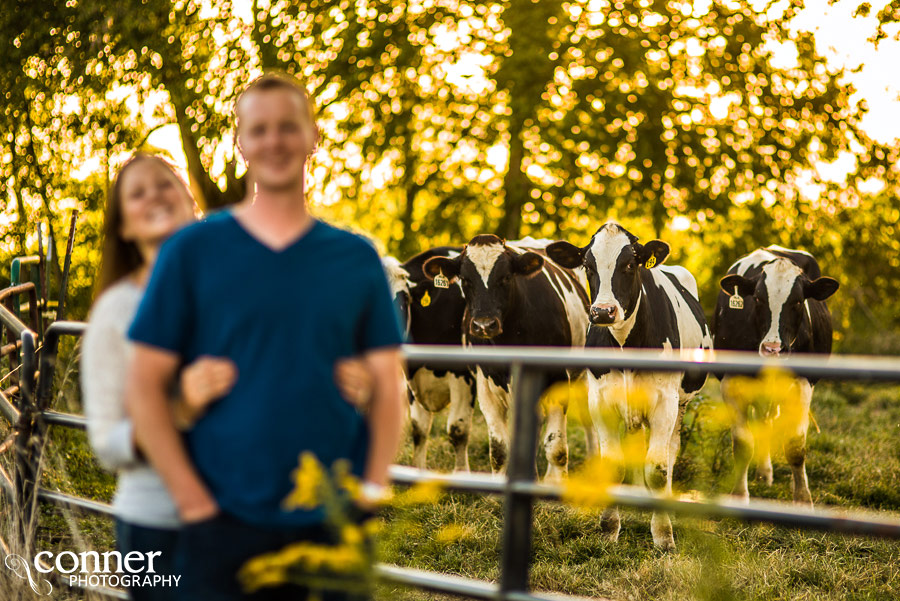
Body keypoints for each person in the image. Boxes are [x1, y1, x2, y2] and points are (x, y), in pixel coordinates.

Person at [124, 73, 406, 601]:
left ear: (313, 136)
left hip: (333, 525)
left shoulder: (356, 260)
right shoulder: (192, 251)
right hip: (219, 520)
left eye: (287, 126)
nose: (274, 141)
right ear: (241, 142)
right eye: (259, 129)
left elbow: (389, 386)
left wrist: (370, 491)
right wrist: (191, 502)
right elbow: (143, 385)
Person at [81, 154, 238, 601]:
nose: (153, 195)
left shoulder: (235, 293)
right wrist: (179, 410)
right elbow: (107, 443)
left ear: (192, 204)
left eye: (165, 184)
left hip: (248, 517)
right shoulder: (116, 312)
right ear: (125, 227)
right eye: (137, 192)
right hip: (158, 529)